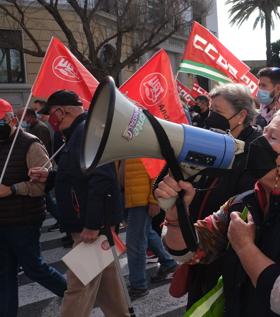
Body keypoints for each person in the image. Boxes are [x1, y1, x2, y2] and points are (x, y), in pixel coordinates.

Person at [157, 108, 280, 317]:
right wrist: (176, 214)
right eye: (264, 132)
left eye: (273, 137)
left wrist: (245, 247)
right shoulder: (242, 203)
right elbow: (189, 251)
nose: (260, 141)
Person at [29, 90, 129, 317]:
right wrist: (50, 178)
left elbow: (101, 179)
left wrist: (93, 225)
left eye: (49, 114)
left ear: (61, 112)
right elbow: (78, 177)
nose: (48, 119)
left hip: (92, 226)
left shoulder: (84, 133)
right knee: (109, 289)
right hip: (93, 225)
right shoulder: (79, 133)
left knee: (77, 287)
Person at [174, 83, 262, 307]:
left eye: (218, 113)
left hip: (225, 255)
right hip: (202, 248)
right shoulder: (216, 143)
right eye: (210, 111)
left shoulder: (255, 150)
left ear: (241, 115)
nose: (211, 118)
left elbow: (244, 203)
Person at [0, 98, 67, 317]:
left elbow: (42, 185)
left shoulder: (31, 144)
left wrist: (12, 189)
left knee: (34, 268)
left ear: (12, 120)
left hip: (24, 220)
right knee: (4, 275)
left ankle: (71, 294)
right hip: (2, 222)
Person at [121, 158, 177, 300]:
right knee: (145, 233)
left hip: (141, 198)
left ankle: (138, 286)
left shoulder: (142, 137)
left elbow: (157, 173)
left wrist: (154, 200)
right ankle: (168, 263)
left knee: (135, 242)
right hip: (130, 194)